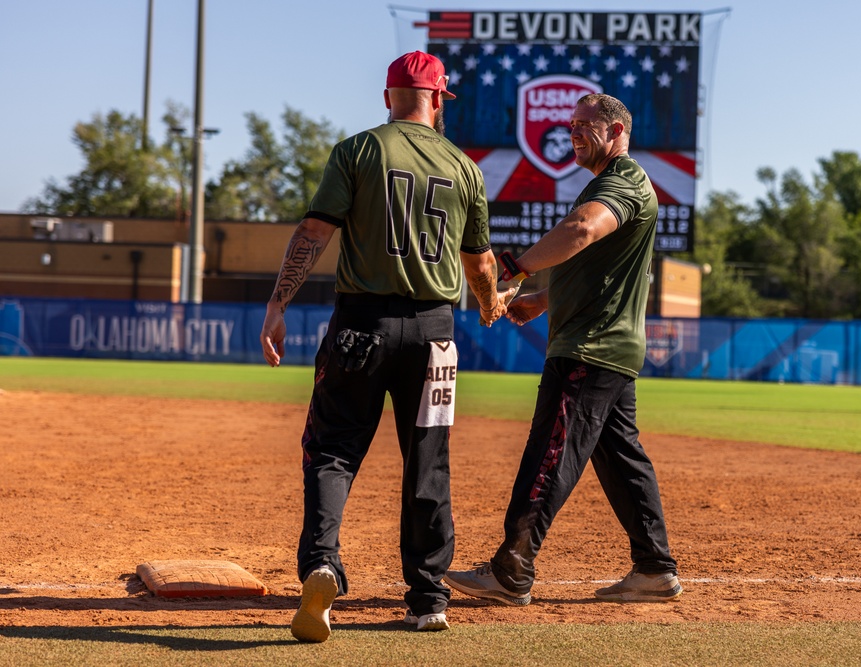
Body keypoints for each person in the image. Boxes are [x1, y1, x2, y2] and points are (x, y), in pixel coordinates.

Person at [259, 51, 507, 641]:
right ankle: (427, 598)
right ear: (439, 99)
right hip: (435, 334)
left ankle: (322, 564)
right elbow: (481, 262)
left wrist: (278, 304)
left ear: (388, 95)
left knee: (334, 450)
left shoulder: (359, 150)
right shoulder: (465, 168)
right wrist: (490, 300)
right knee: (428, 460)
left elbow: (314, 231)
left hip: (360, 324)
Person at [445, 93, 682, 606]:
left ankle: (512, 568)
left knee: (550, 452)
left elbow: (581, 229)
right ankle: (654, 568)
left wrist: (514, 267)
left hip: (591, 347)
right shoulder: (611, 183)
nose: (572, 132)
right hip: (605, 345)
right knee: (621, 459)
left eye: (584, 125)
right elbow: (606, 272)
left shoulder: (622, 183)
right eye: (570, 124)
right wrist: (545, 299)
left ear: (617, 131)